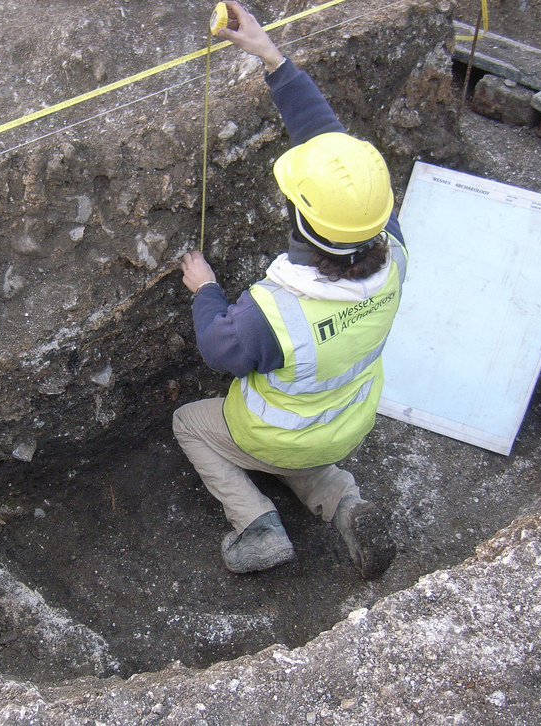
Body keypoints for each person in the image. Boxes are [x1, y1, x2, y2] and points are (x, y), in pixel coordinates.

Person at [173, 1, 408, 580]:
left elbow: (220, 349)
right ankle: (343, 501)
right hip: (348, 422)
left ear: (301, 221)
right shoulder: (395, 254)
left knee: (190, 423)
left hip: (276, 434)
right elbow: (335, 157)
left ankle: (256, 524)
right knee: (303, 450)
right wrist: (270, 56)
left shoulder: (272, 313)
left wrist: (205, 289)